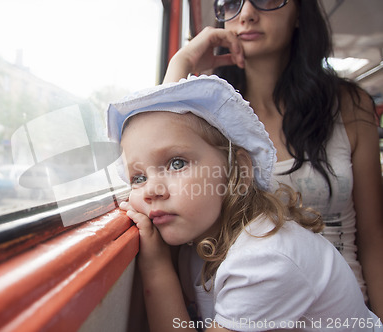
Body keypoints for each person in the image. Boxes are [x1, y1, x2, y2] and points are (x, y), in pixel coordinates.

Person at [107, 75, 381, 331]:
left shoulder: (264, 258)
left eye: (177, 163)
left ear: (238, 168)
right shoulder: (200, 244)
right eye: (138, 177)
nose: (151, 190)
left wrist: (156, 268)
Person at [162, 0, 383, 318]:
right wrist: (183, 61)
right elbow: (158, 157)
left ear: (299, 14)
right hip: (242, 311)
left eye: (267, 0)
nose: (247, 14)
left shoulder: (349, 105)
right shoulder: (206, 115)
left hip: (342, 312)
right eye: (231, 4)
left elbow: (373, 236)